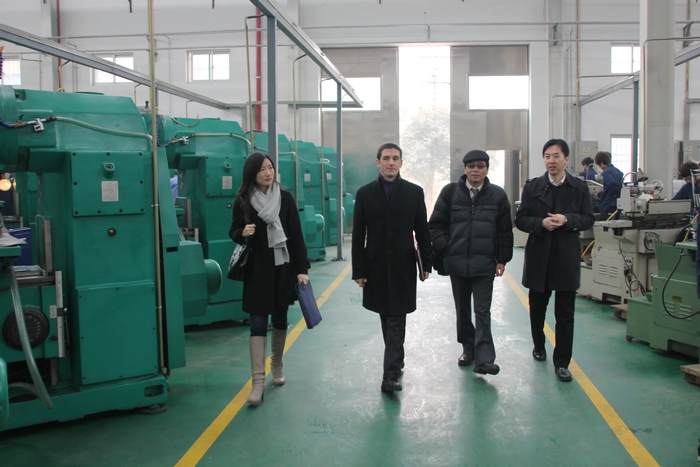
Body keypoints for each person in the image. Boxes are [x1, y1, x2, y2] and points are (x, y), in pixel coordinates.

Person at [229, 153, 310, 406]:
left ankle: (277, 365)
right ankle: (258, 382)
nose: (268, 173)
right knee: (257, 323)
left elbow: (296, 235)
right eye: (262, 169)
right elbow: (233, 231)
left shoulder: (285, 198)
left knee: (280, 319)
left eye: (271, 168)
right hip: (257, 271)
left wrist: (302, 269)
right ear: (252, 173)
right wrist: (242, 232)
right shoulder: (243, 201)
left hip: (283, 269)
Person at [352, 142, 433, 393]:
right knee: (386, 315)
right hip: (375, 265)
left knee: (397, 316)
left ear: (401, 163)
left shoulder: (414, 192)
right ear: (378, 162)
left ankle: (389, 375)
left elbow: (422, 231)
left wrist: (426, 263)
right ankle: (397, 358)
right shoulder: (364, 194)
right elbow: (358, 235)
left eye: (395, 158)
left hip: (402, 265)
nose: (391, 162)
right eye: (386, 158)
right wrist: (359, 270)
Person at [514, 139, 594, 382]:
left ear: (566, 159)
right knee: (537, 308)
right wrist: (541, 223)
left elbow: (588, 218)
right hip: (539, 255)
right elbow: (521, 219)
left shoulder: (579, 188)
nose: (551, 160)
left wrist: (567, 220)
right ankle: (539, 345)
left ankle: (562, 363)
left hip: (565, 256)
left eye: (556, 156)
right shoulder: (533, 187)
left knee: (565, 313)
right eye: (547, 156)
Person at [429, 150, 513, 376]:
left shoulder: (497, 195)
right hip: (457, 263)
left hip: (485, 263)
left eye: (480, 166)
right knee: (463, 309)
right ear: (465, 169)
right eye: (471, 166)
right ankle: (468, 348)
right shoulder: (450, 192)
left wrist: (502, 259)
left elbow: (505, 230)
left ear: (487, 169)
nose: (476, 170)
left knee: (482, 311)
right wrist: (447, 246)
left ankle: (485, 359)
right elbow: (435, 224)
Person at [594, 151, 623, 219]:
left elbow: (612, 184)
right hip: (617, 204)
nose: (599, 167)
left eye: (599, 165)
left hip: (609, 204)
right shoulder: (618, 171)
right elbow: (610, 188)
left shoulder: (606, 172)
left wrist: (617, 192)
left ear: (601, 163)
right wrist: (600, 193)